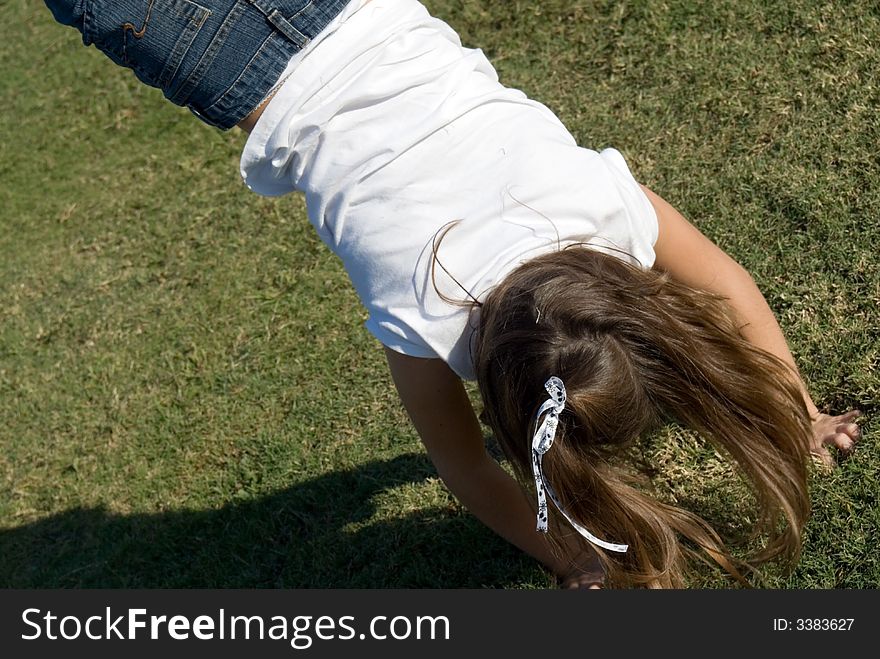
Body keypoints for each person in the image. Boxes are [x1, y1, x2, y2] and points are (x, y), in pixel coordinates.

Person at [43, 0, 861, 588]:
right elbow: (463, 468)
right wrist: (571, 554)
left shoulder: (602, 209)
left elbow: (722, 280)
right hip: (198, 40)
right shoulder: (419, 318)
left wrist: (800, 409)